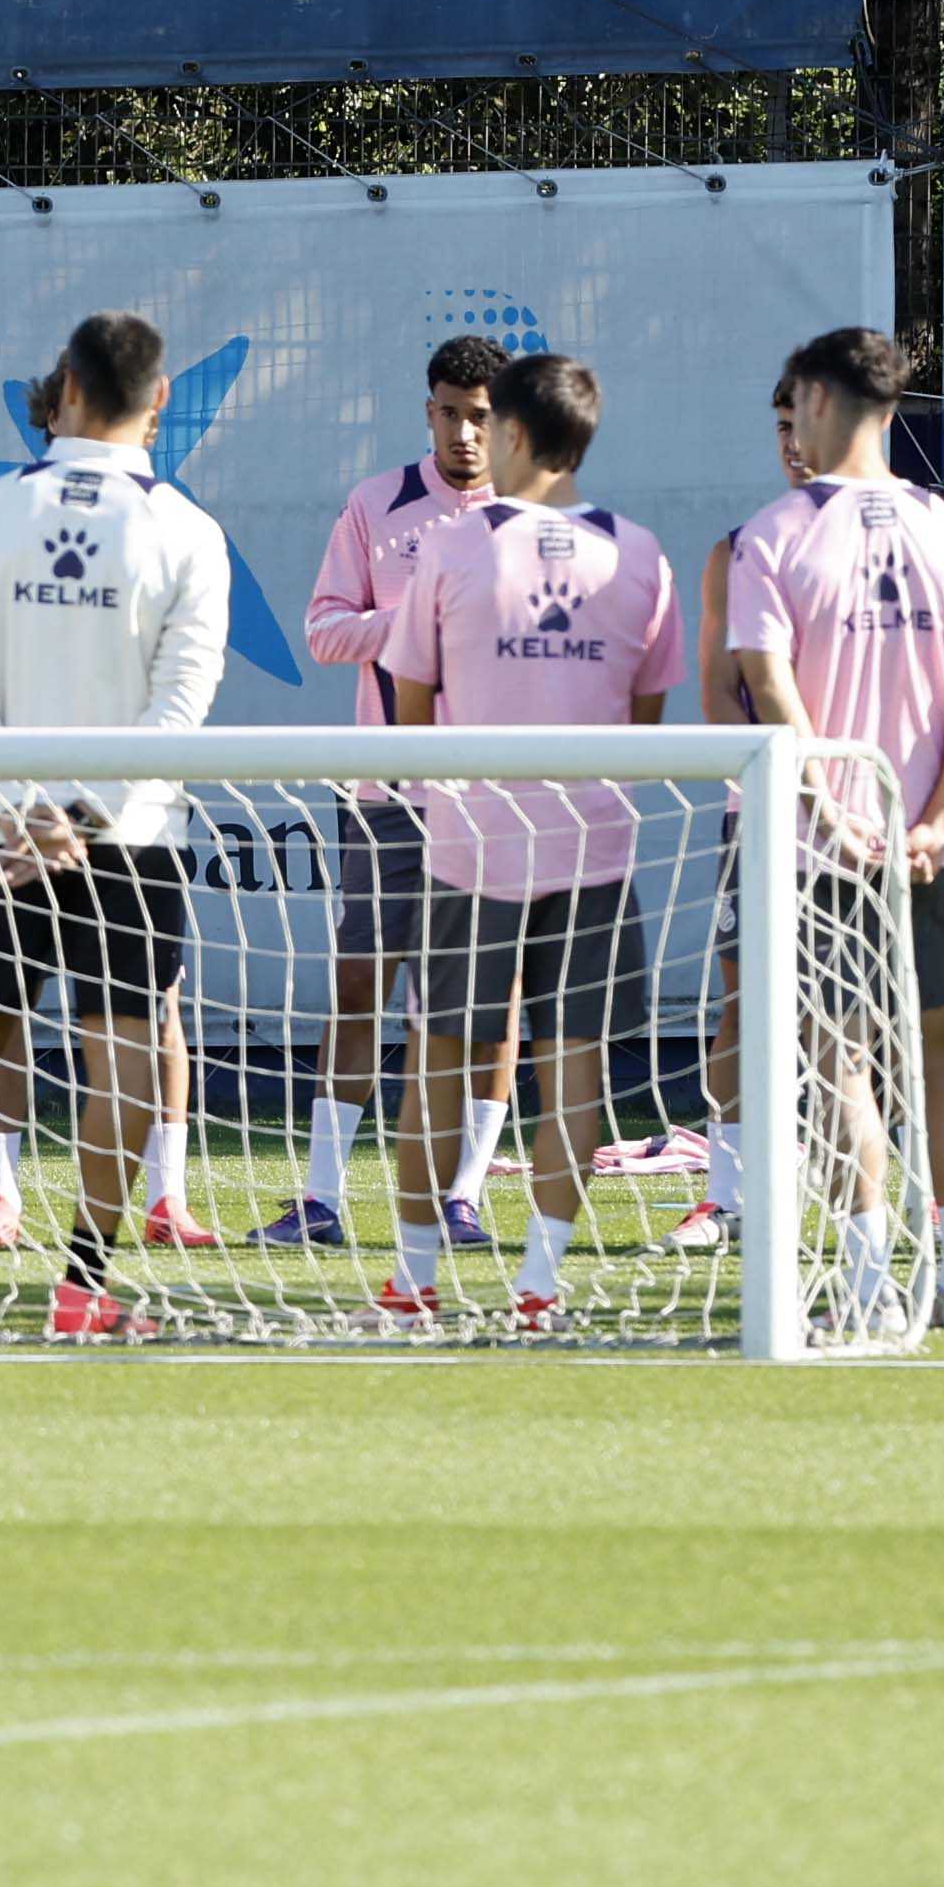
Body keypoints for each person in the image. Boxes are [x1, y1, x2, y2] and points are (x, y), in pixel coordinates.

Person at [0, 312, 237, 1340]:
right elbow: (182, 701)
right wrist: (85, 812)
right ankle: (81, 1287)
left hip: (1, 833)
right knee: (124, 1052)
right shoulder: (185, 528)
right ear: (161, 399)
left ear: (62, 390)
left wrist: (21, 806)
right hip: (128, 837)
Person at [376, 352, 689, 1332]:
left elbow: (411, 709)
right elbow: (646, 719)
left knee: (438, 1060)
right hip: (594, 848)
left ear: (510, 431)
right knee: (573, 1068)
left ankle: (415, 1280)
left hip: (470, 846)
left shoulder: (453, 547)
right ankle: (540, 1283)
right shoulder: (640, 554)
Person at [714, 330, 944, 1321]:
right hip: (931, 851)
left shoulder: (774, 534)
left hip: (820, 851)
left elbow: (769, 692)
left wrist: (832, 812)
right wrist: (939, 821)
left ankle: (871, 1283)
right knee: (936, 1056)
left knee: (839, 1058)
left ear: (812, 399)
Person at [299, 335, 521, 1251]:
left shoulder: (533, 517)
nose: (464, 433)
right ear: (427, 411)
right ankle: (320, 1199)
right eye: (450, 414)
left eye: (482, 417)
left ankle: (463, 1196)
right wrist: (415, 619)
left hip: (496, 800)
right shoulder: (374, 504)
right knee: (360, 987)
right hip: (388, 796)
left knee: (485, 1004)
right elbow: (324, 632)